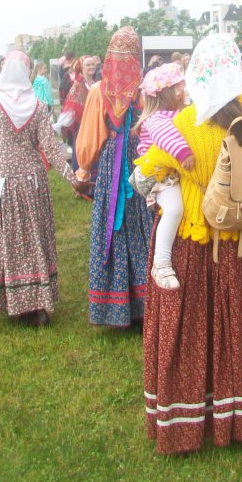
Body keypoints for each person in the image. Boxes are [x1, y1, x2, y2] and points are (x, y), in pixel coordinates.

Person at [141, 34, 242, 455]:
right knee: (239, 329)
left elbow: (147, 167)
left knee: (189, 331)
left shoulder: (182, 123)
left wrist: (157, 183)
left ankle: (185, 423)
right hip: (239, 238)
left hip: (193, 241)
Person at [0, 51, 77, 325]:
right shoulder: (37, 108)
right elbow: (52, 150)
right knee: (35, 238)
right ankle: (38, 302)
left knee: (10, 241)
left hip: (6, 184)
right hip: (34, 182)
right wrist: (72, 178)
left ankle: (18, 303)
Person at [75, 27, 152, 327]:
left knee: (116, 227)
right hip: (141, 161)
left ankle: (117, 306)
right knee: (143, 227)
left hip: (111, 167)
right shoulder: (144, 89)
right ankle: (145, 304)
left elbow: (91, 137)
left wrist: (84, 169)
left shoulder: (99, 91)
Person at [132, 63, 195, 290]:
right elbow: (166, 135)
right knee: (174, 209)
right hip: (159, 178)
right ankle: (161, 263)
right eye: (179, 86)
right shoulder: (157, 118)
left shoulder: (175, 113)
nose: (183, 91)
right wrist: (183, 152)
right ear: (168, 92)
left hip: (169, 174)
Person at [57, 56, 97, 172]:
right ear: (81, 67)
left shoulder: (94, 83)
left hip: (95, 126)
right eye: (88, 65)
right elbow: (71, 106)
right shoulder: (78, 84)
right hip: (82, 127)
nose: (91, 67)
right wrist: (60, 124)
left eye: (92, 64)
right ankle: (81, 180)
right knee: (82, 156)